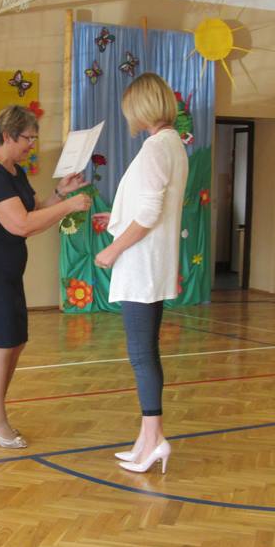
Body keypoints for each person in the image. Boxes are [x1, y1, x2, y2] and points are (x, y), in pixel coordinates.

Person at [0, 105, 91, 448]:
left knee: (14, 341)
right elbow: (21, 225)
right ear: (7, 136)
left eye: (34, 138)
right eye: (28, 138)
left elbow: (32, 211)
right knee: (0, 343)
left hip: (6, 266)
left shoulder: (13, 171)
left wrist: (59, 194)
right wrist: (69, 206)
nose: (32, 144)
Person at [93, 72, 188, 474]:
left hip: (141, 265)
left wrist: (112, 249)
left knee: (141, 354)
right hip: (152, 262)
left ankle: (153, 438)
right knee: (145, 351)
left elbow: (149, 214)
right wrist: (115, 220)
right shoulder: (172, 144)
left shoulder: (155, 148)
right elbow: (150, 207)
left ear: (141, 108)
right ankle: (146, 439)